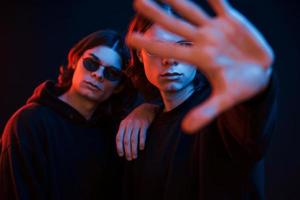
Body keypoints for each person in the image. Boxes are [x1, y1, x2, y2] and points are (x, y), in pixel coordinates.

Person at [118, 0, 277, 199]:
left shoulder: (222, 115)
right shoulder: (142, 128)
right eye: (157, 48)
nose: (169, 59)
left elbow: (249, 132)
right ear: (140, 55)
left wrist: (257, 87)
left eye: (184, 45)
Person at [0, 29, 156, 200]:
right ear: (75, 60)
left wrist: (150, 109)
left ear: (119, 86)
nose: (98, 75)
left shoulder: (114, 132)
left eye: (111, 73)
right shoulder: (28, 123)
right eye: (91, 63)